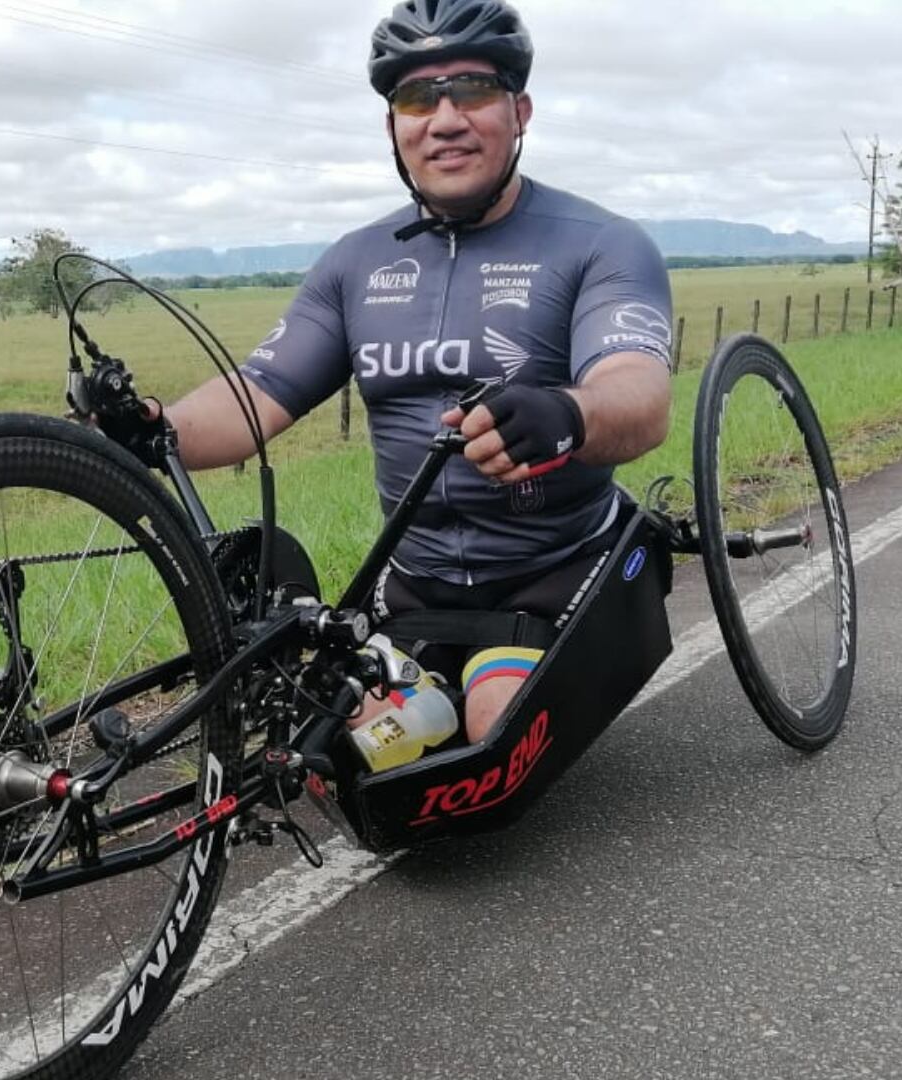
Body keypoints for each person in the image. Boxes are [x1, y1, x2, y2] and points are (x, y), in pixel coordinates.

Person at [127, 0, 674, 746]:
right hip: (409, 582)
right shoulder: (357, 260)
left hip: (552, 568)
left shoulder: (601, 243)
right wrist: (150, 430)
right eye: (417, 98)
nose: (444, 119)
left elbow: (639, 394)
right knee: (340, 751)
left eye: (473, 91)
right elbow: (258, 395)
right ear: (394, 126)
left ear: (520, 111)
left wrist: (566, 415)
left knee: (490, 736)